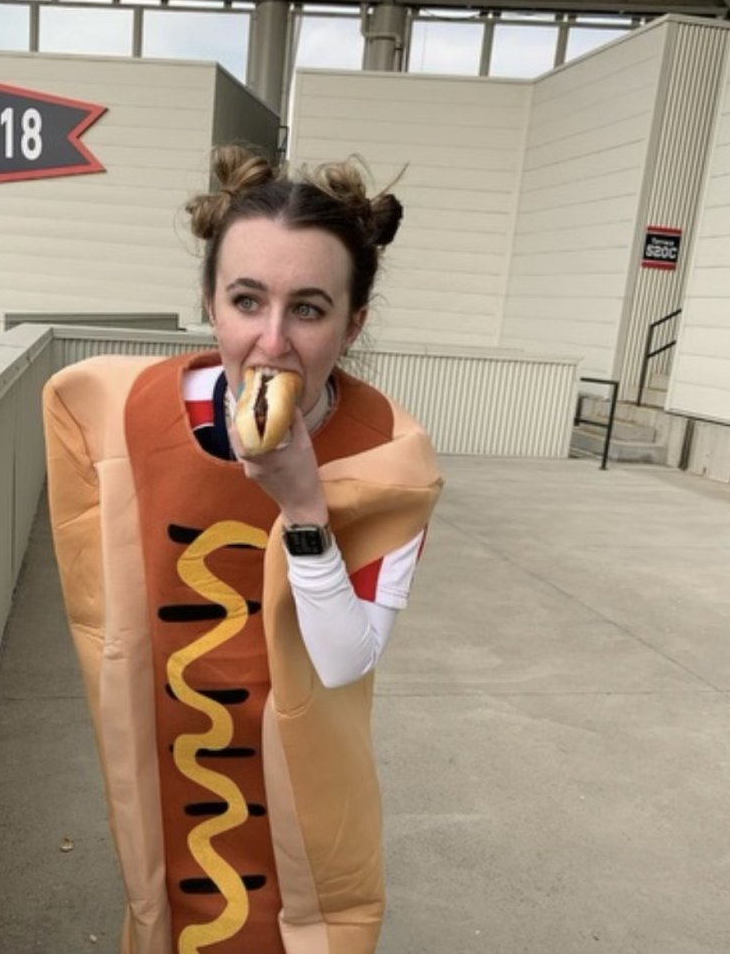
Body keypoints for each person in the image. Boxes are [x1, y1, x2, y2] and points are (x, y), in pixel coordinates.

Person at [42, 144, 443, 954]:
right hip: (172, 782)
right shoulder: (125, 417)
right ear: (209, 302)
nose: (270, 341)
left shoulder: (386, 459)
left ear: (353, 322)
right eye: (247, 299)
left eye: (308, 308)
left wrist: (303, 503)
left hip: (301, 798)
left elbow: (343, 660)